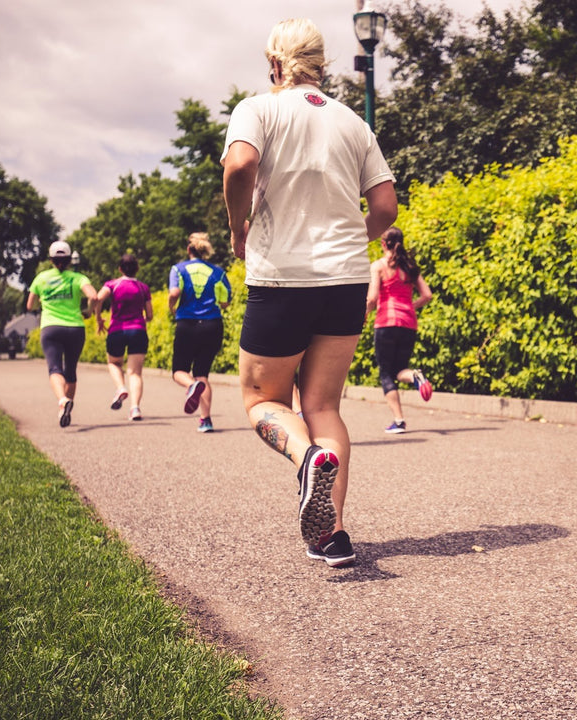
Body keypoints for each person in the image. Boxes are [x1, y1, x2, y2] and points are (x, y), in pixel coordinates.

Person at [221, 18, 397, 567]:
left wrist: (237, 229)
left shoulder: (258, 109)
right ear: (322, 65)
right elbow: (386, 208)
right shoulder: (353, 123)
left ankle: (306, 460)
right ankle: (332, 535)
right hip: (345, 280)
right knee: (323, 404)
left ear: (275, 65)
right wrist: (350, 243)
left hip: (282, 278)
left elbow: (242, 163)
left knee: (261, 401)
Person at [365, 226, 434, 433]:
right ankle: (415, 376)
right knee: (400, 369)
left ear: (383, 244)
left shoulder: (378, 266)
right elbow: (427, 295)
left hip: (386, 322)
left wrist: (364, 315)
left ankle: (399, 420)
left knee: (386, 373)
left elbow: (372, 298)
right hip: (408, 322)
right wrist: (408, 307)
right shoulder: (410, 267)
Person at [26, 240, 98, 428]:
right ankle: (64, 410)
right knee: (71, 371)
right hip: (75, 328)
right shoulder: (78, 278)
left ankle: (62, 401)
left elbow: (30, 305)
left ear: (51, 259)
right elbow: (94, 296)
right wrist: (89, 311)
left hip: (51, 327)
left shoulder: (41, 278)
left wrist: (42, 302)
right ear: (68, 260)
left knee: (55, 369)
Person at [168, 233, 232, 433]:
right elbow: (225, 301)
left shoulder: (178, 269)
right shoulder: (218, 272)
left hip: (187, 324)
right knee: (202, 373)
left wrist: (172, 307)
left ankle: (190, 386)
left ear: (189, 249)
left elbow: (174, 293)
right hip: (212, 325)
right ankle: (206, 420)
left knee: (179, 371)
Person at [94, 253, 153, 421]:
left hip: (117, 331)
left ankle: (120, 388)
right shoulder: (143, 288)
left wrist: (99, 318)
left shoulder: (112, 284)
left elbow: (97, 299)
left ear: (120, 269)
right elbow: (149, 314)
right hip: (138, 331)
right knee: (135, 373)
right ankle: (135, 409)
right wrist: (143, 318)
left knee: (113, 363)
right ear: (138, 269)